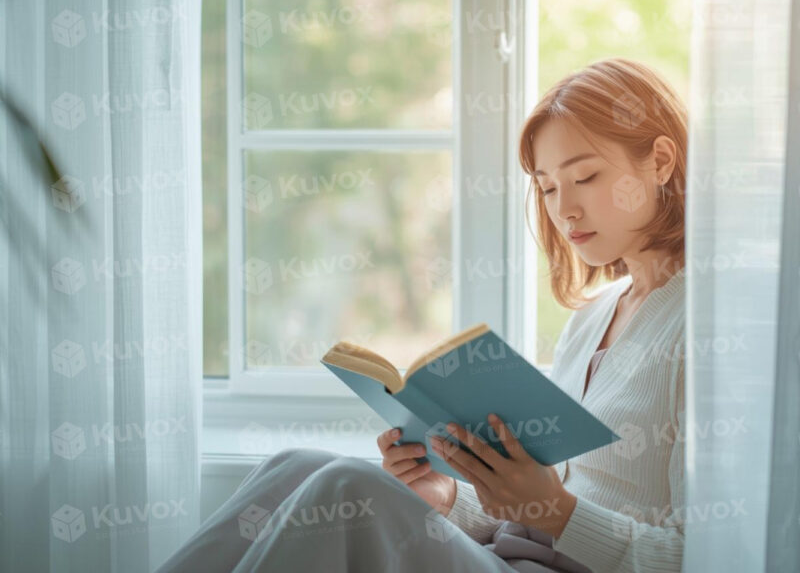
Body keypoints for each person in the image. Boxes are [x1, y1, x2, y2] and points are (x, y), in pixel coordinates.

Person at [157, 57, 688, 573]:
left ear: (661, 162)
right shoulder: (593, 319)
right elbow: (539, 509)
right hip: (507, 554)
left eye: (586, 177)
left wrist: (553, 510)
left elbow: (699, 555)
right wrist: (450, 494)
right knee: (293, 467)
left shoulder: (704, 331)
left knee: (346, 486)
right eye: (548, 188)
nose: (564, 209)